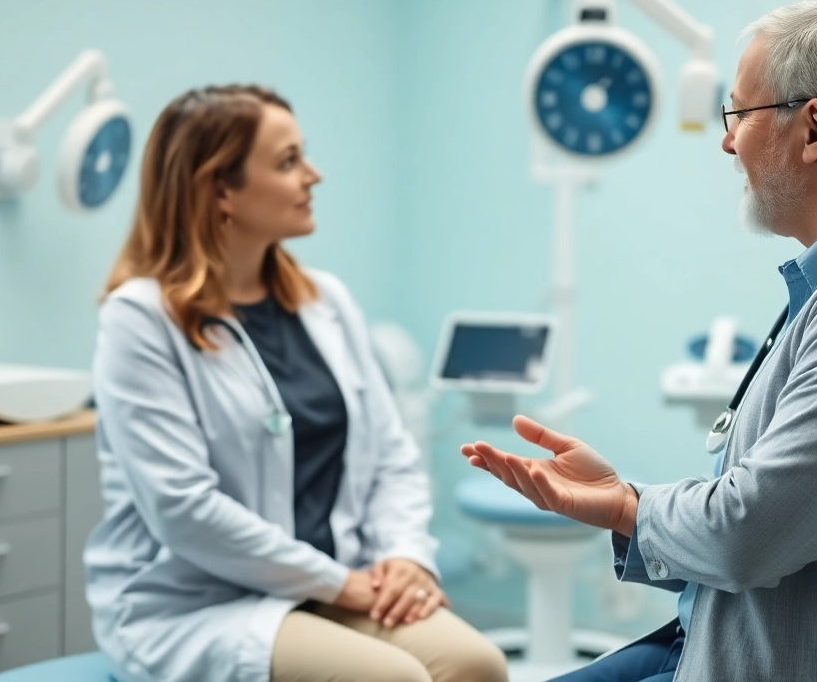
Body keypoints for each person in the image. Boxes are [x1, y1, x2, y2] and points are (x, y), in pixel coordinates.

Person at [462, 0, 817, 682]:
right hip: (716, 644)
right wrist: (626, 502)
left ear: (815, 128)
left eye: (737, 114)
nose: (727, 143)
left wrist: (626, 504)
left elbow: (752, 532)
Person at [86, 85, 507, 682]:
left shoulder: (323, 300)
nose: (313, 176)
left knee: (478, 664)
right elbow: (183, 508)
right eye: (288, 162)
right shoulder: (141, 317)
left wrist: (406, 556)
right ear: (220, 189)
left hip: (339, 578)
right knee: (396, 679)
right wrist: (339, 584)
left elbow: (390, 456)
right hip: (202, 601)